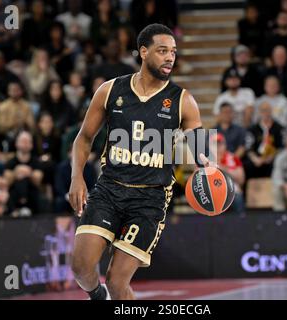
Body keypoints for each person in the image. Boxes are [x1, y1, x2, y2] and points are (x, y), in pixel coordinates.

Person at [69, 24, 214, 300]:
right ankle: (96, 296)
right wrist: (77, 177)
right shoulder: (110, 90)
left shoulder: (183, 100)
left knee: (116, 282)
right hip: (109, 189)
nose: (170, 57)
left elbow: (201, 149)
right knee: (81, 267)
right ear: (143, 52)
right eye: (163, 51)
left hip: (150, 199)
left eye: (173, 51)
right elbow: (84, 137)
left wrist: (206, 169)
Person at [244, 101, 285, 178]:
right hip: (256, 157)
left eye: (267, 110)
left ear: (271, 111)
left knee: (276, 163)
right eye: (263, 110)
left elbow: (281, 147)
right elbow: (248, 147)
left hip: (272, 157)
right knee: (247, 165)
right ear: (259, 112)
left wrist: (270, 157)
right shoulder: (252, 129)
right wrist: (255, 159)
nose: (265, 113)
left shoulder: (279, 128)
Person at [211, 133, 245, 213]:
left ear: (225, 145)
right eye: (215, 145)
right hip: (211, 193)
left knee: (238, 197)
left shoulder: (233, 158)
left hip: (231, 191)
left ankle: (241, 222)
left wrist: (222, 168)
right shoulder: (204, 160)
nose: (217, 148)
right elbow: (197, 179)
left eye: (220, 144)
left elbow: (241, 179)